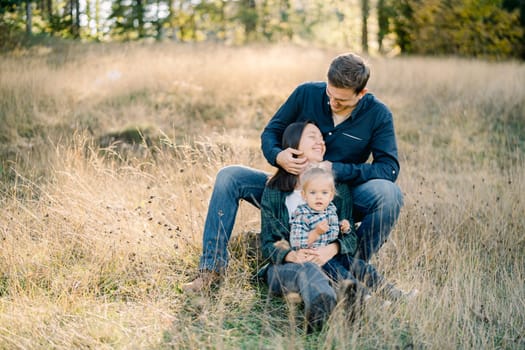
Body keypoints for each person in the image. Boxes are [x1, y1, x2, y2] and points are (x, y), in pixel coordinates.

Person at [183, 52, 403, 292]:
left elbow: (388, 168)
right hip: (288, 189)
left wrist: (336, 170)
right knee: (229, 176)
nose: (333, 103)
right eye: (330, 94)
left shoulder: (378, 114)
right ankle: (211, 270)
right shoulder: (306, 94)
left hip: (337, 198)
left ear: (362, 93)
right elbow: (271, 132)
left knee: (389, 194)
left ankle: (345, 267)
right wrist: (279, 156)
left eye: (341, 101)